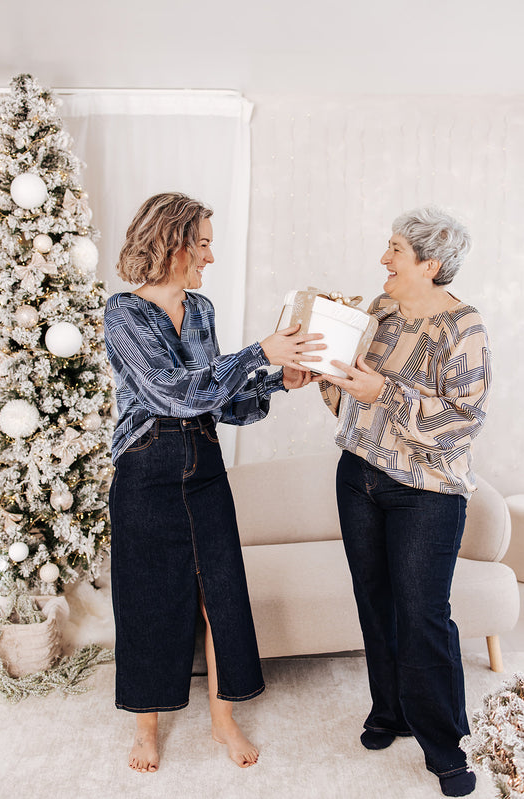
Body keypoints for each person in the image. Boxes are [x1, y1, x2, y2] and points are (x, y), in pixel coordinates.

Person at [104, 192, 323, 773]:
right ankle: (146, 731)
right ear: (172, 243)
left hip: (202, 465)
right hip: (145, 469)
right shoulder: (122, 313)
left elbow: (216, 399)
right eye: (201, 243)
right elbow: (173, 392)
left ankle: (223, 720)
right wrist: (257, 353)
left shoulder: (200, 309)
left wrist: (278, 379)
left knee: (220, 598)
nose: (209, 256)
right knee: (148, 602)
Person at [316, 207, 491, 797]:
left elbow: (462, 423)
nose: (383, 260)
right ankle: (388, 711)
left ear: (430, 263)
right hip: (358, 477)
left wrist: (384, 392)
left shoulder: (462, 327)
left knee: (422, 617)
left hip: (427, 494)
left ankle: (445, 747)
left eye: (394, 250)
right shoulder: (381, 310)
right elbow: (350, 386)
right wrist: (326, 351)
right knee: (376, 604)